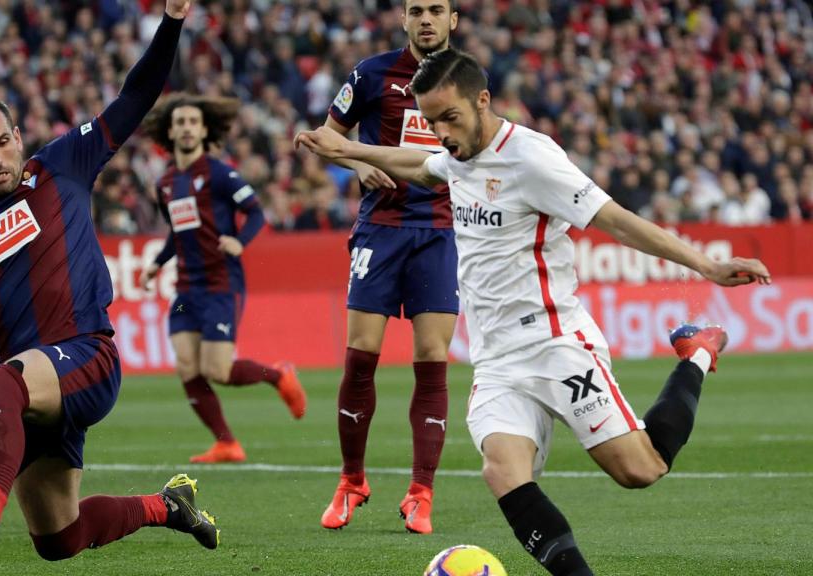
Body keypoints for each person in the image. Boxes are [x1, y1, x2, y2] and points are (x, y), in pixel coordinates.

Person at [296, 49, 771, 576]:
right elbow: (423, 165)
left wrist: (705, 265)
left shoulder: (533, 159)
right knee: (503, 470)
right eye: (431, 122)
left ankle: (696, 354)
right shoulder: (456, 152)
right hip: (497, 359)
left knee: (641, 469)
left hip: (555, 343)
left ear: (483, 100)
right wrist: (349, 149)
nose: (441, 133)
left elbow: (615, 220)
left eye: (449, 118)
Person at [0, 2, 219, 571]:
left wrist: (172, 21)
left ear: (17, 136)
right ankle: (169, 506)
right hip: (37, 391)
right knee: (58, 540)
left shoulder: (61, 165)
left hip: (87, 355)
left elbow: (135, 96)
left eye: (1, 142)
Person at [318, 0, 460, 535]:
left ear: (453, 21)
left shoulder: (467, 78)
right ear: (404, 20)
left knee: (431, 357)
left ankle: (421, 492)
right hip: (381, 230)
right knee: (361, 358)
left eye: (436, 10)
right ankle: (352, 480)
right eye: (417, 10)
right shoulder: (372, 73)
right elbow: (328, 134)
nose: (426, 19)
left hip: (442, 233)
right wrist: (360, 162)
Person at [140, 94, 307, 463]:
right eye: (179, 122)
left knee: (217, 370)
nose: (186, 128)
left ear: (203, 130)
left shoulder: (219, 173)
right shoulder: (165, 183)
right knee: (186, 366)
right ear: (170, 131)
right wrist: (157, 262)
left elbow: (256, 213)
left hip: (220, 284)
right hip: (185, 288)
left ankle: (277, 375)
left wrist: (239, 241)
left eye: (192, 122)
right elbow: (176, 233)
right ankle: (227, 443)